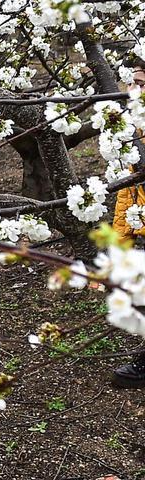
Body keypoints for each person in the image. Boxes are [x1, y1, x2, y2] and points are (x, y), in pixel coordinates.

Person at [111, 58, 145, 388]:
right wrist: (120, 240)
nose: (133, 90)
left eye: (142, 84)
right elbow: (127, 194)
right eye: (132, 83)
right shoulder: (132, 134)